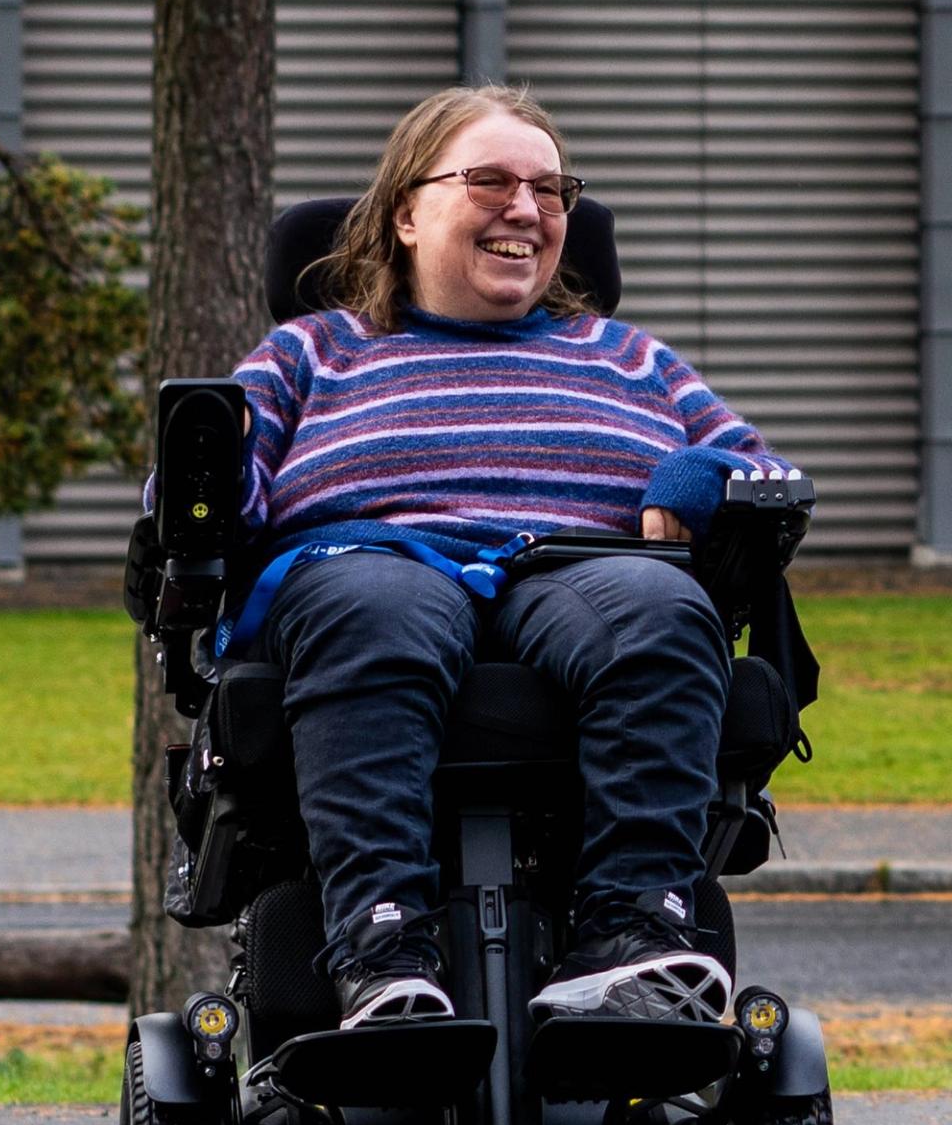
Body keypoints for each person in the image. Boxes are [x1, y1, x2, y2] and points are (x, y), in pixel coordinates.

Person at [209, 84, 794, 1033]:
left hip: (580, 567)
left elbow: (768, 470)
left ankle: (634, 938)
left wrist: (698, 471)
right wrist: (207, 460)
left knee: (660, 611)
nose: (525, 209)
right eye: (489, 181)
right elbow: (196, 499)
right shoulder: (312, 350)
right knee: (376, 612)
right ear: (406, 212)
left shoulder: (629, 357)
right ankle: (382, 950)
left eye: (550, 189)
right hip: (375, 560)